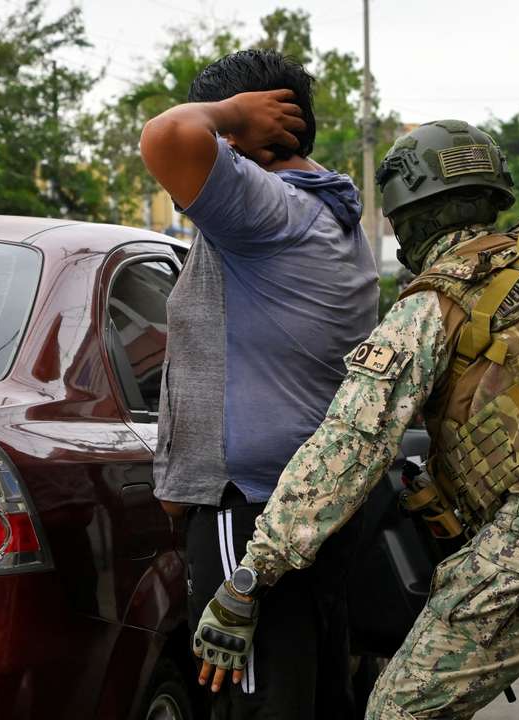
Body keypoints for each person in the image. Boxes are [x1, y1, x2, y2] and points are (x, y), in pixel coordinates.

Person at [192, 119, 519, 719]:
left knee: (402, 710)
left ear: (413, 214)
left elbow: (350, 443)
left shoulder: (436, 301)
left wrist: (249, 578)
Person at [139, 49, 378, 718]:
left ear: (250, 134)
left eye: (223, 129)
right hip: (312, 505)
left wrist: (227, 117)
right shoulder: (332, 214)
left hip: (246, 509)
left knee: (253, 705)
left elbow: (165, 136)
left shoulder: (268, 214)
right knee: (312, 696)